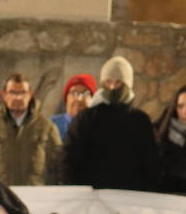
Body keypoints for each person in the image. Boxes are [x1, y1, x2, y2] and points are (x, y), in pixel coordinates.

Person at [62, 55, 159, 190]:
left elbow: (150, 163)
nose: (113, 87)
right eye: (108, 82)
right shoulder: (86, 119)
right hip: (93, 197)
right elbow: (70, 158)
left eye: (118, 82)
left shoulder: (140, 121)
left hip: (131, 198)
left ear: (127, 84)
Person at [0, 73, 62, 186]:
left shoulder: (46, 126)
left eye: (23, 93)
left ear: (30, 95)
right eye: (13, 92)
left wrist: (50, 193)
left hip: (36, 197)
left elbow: (58, 165)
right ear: (4, 95)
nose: (18, 97)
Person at [51, 74, 95, 142]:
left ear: (93, 99)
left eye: (85, 93)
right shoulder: (51, 125)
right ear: (67, 98)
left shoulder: (101, 126)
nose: (79, 99)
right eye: (74, 93)